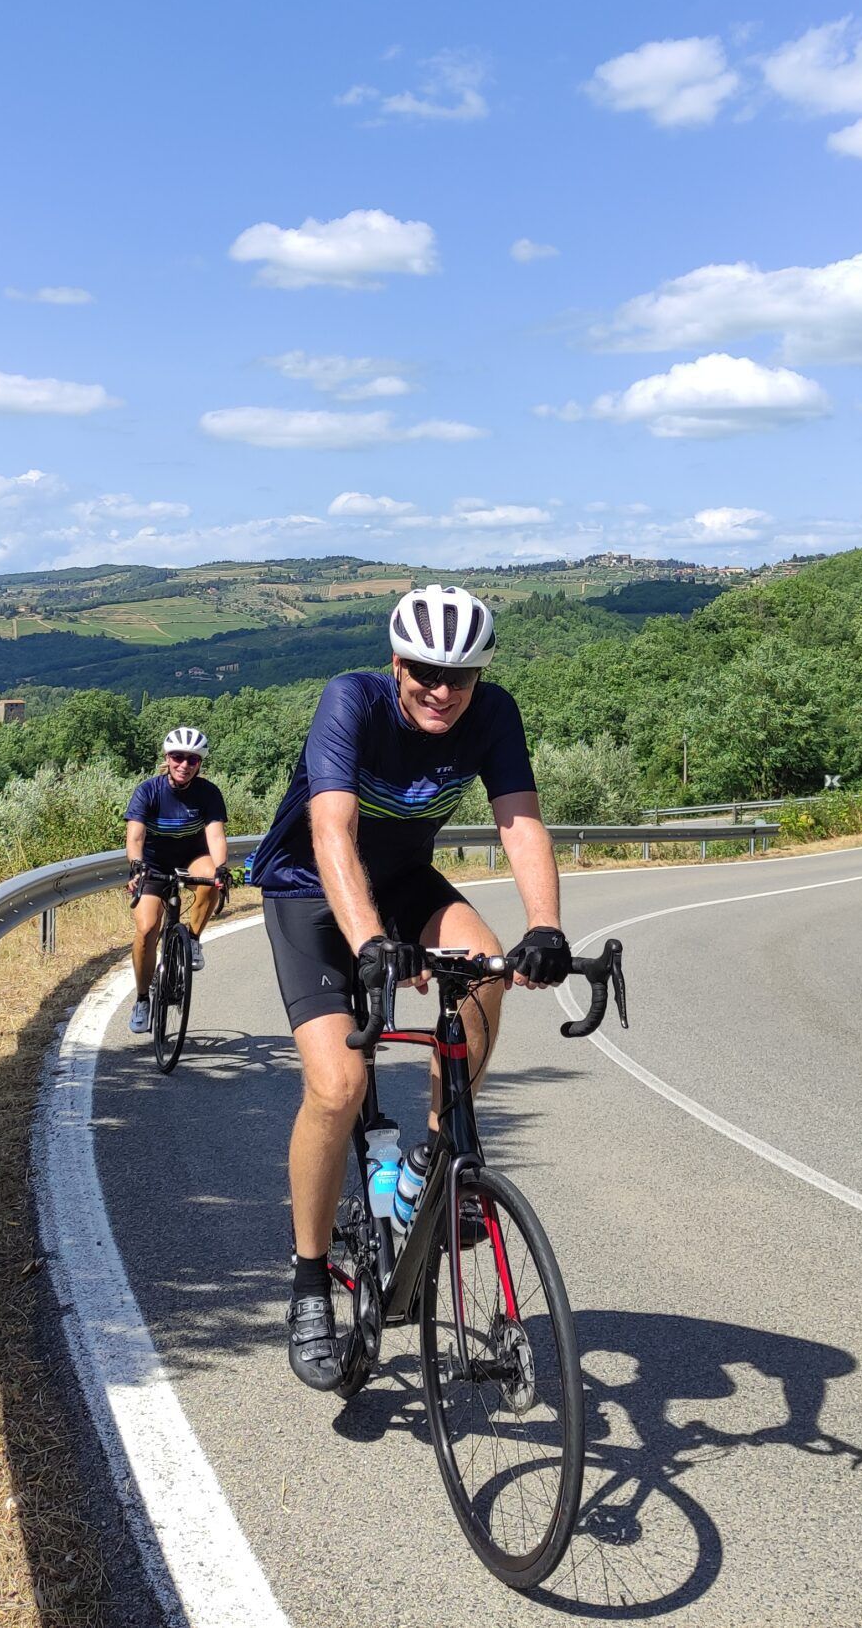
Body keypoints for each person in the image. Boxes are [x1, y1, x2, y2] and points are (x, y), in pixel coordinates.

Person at [248, 584, 570, 1390]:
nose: (442, 689)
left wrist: (548, 926)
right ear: (396, 664)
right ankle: (311, 1280)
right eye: (424, 670)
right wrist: (370, 946)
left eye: (459, 676)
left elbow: (519, 821)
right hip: (310, 893)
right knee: (339, 1084)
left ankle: (434, 1159)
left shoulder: (494, 715)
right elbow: (332, 831)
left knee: (488, 966)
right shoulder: (350, 703)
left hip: (405, 885)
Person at [124, 725, 231, 1035]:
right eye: (177, 757)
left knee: (211, 877)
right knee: (146, 929)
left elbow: (215, 834)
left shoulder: (208, 793)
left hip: (192, 856)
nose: (184, 765)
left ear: (200, 763)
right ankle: (143, 998)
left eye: (192, 760)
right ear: (167, 757)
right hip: (154, 862)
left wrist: (222, 868)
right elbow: (135, 836)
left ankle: (194, 940)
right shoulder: (149, 791)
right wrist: (136, 865)